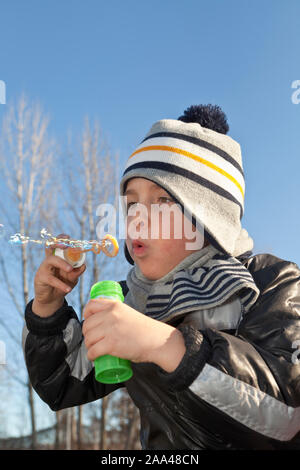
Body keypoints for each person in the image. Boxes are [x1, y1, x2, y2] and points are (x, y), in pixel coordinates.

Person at [23, 104, 300, 450]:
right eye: (131, 204)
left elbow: (287, 414)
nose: (137, 218)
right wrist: (46, 311)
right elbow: (62, 384)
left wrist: (164, 346)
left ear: (208, 218)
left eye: (162, 202)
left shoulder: (270, 283)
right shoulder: (131, 301)